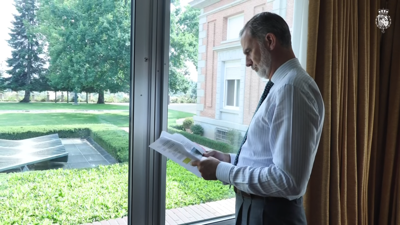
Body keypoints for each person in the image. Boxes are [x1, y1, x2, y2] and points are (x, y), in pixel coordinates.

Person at [192, 12, 325, 225]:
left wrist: (221, 170)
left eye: (248, 51)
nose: (246, 62)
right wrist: (228, 159)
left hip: (272, 216)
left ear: (269, 41)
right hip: (260, 210)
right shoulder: (282, 86)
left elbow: (289, 181)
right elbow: (264, 156)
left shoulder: (291, 89)